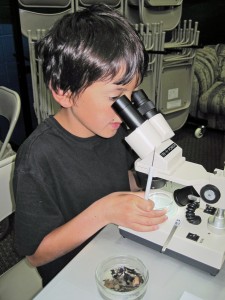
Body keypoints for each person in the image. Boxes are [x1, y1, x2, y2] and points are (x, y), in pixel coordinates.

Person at [13, 4, 167, 287]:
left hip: (116, 251)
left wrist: (144, 182)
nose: (126, 108)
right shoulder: (38, 157)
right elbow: (35, 255)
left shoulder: (111, 130)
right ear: (64, 92)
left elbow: (110, 177)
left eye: (132, 93)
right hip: (74, 277)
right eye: (116, 97)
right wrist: (104, 210)